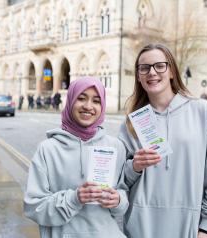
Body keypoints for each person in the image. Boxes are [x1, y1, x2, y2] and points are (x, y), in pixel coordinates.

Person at [118, 43, 207, 238]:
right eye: (144, 68)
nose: (152, 72)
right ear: (138, 76)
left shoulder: (202, 111)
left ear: (171, 71)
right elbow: (119, 182)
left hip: (189, 229)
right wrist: (135, 167)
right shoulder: (131, 123)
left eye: (159, 66)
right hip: (141, 229)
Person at [24, 76, 129, 238]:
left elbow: (122, 198)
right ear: (70, 100)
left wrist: (118, 201)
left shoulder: (115, 147)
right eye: (81, 98)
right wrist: (74, 199)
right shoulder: (48, 149)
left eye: (96, 101)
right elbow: (33, 207)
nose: (88, 106)